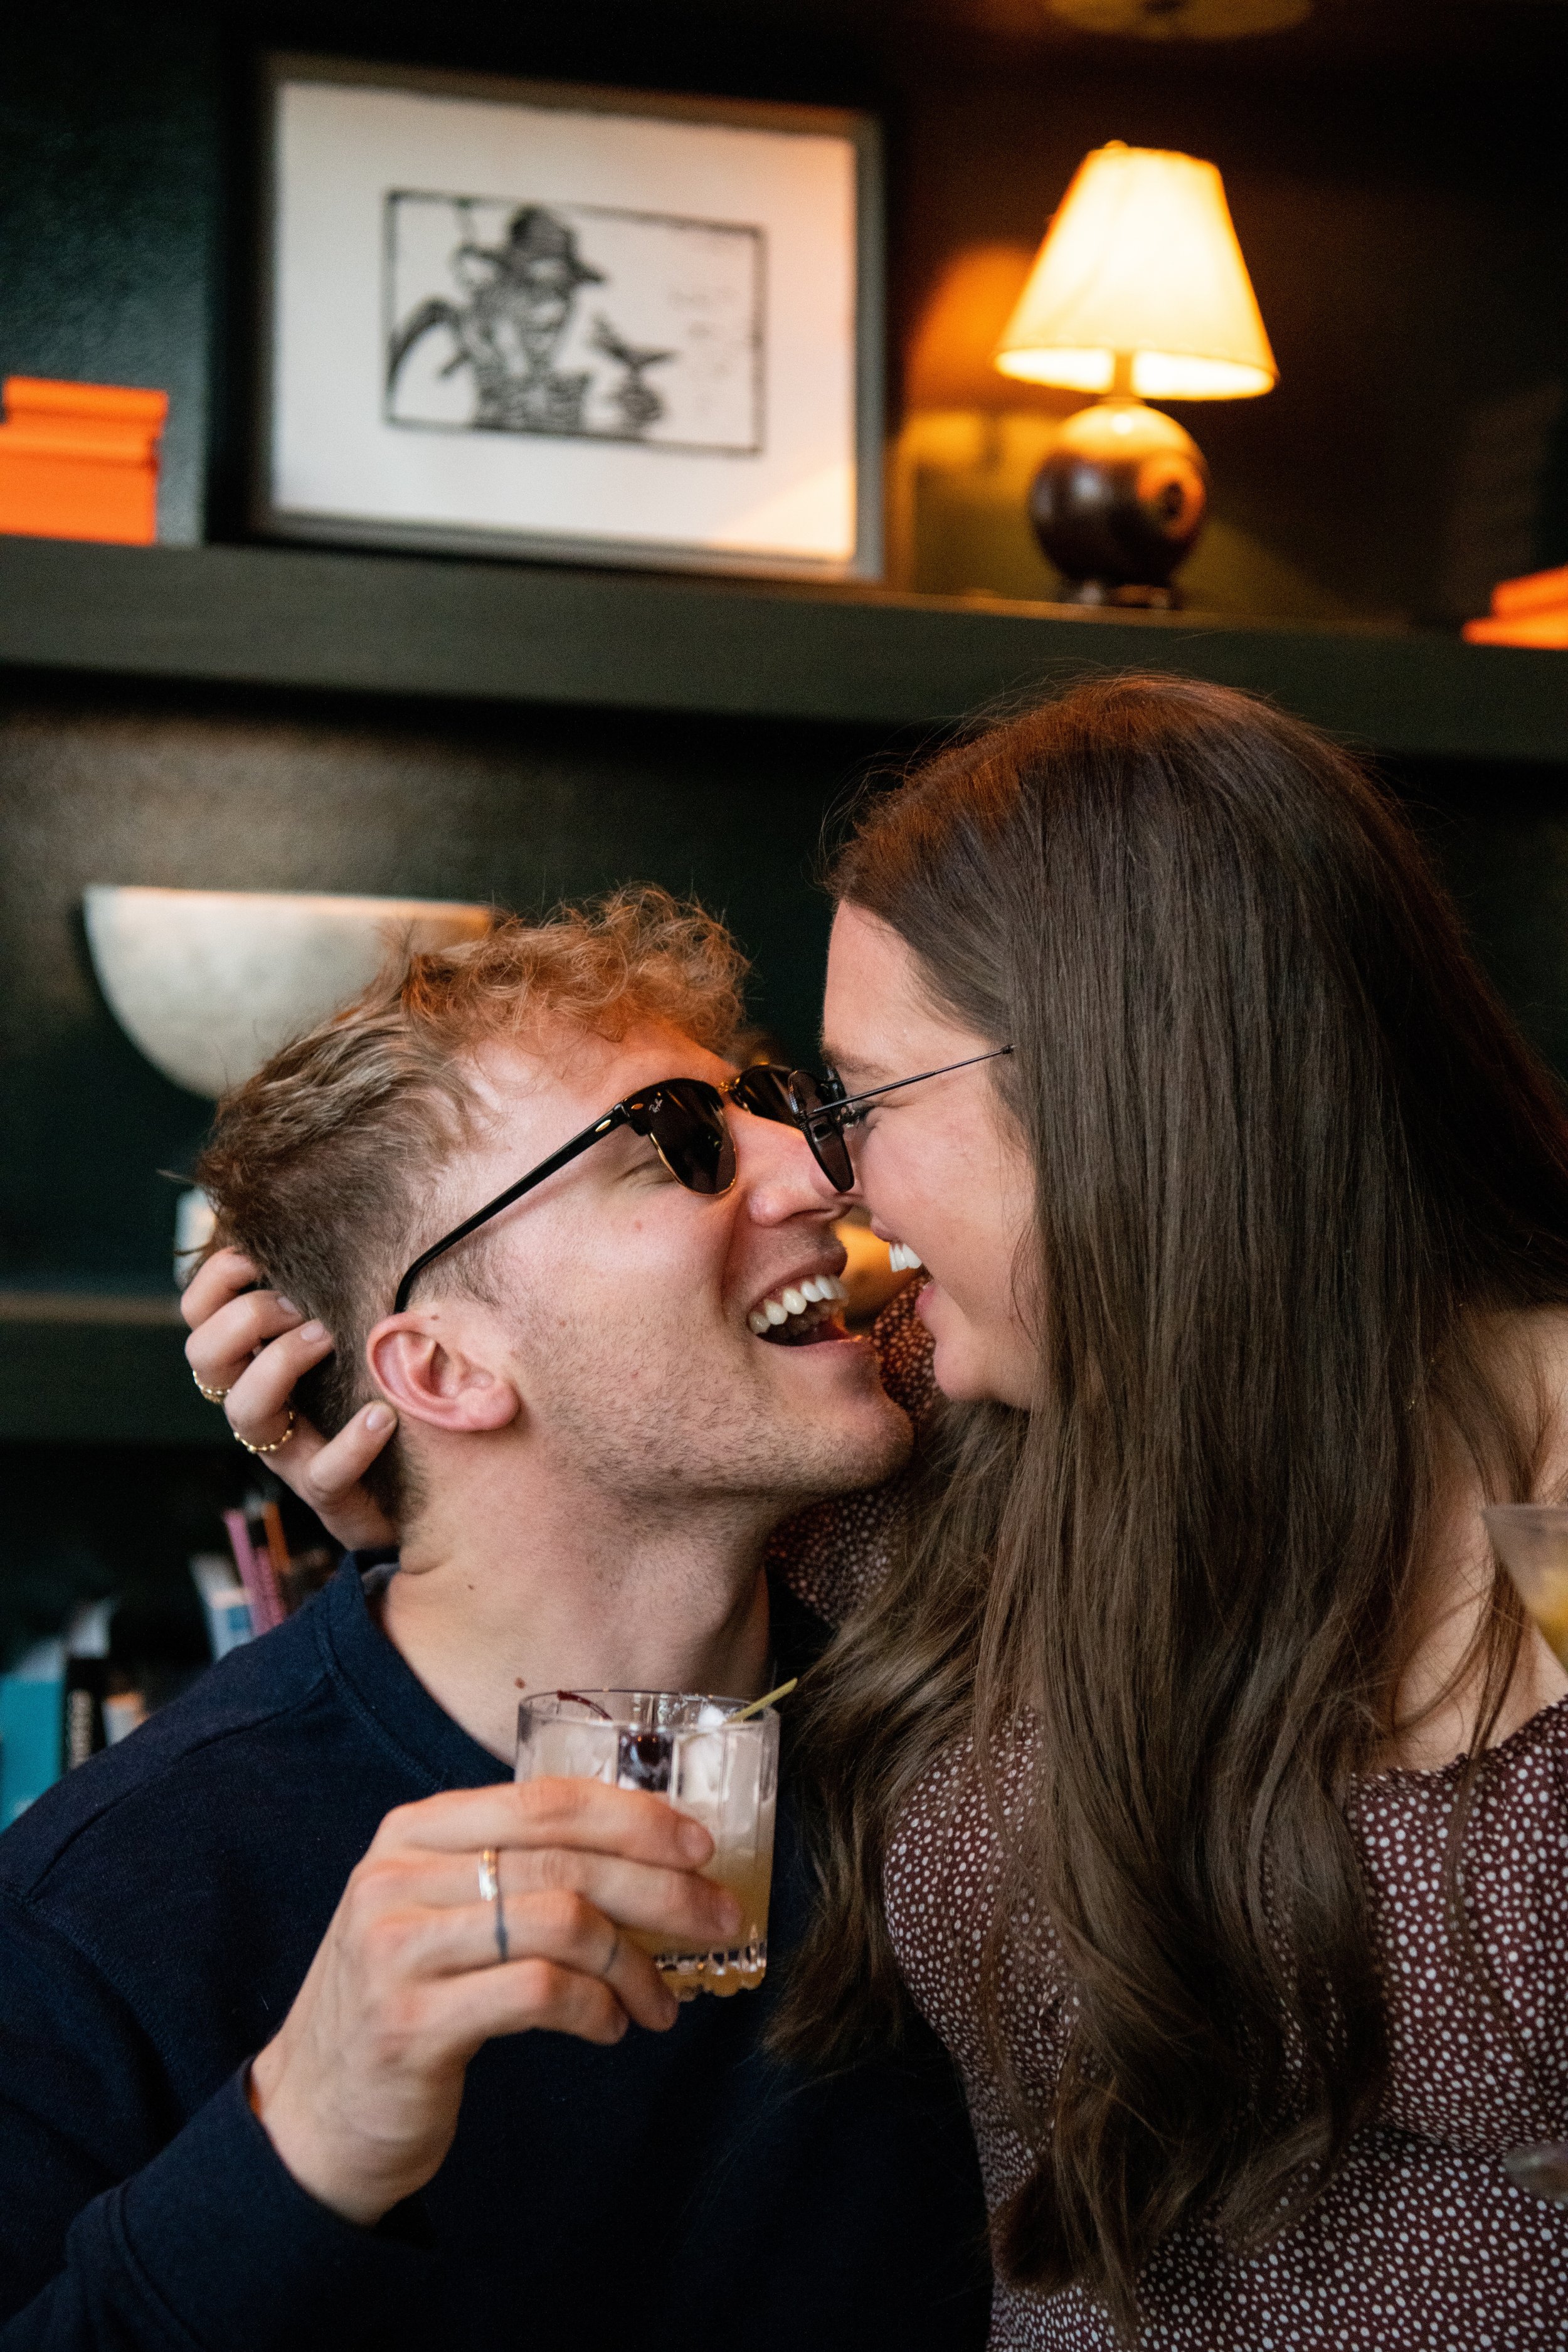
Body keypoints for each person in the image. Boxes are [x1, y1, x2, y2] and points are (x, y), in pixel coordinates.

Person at [218, 680, 1568, 2346]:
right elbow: (612, 1455)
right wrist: (409, 1416)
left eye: (865, 1099)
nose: (832, 1179)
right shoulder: (949, 1413)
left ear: (1111, 1080)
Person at [0, 889, 990, 2348]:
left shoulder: (982, 1780)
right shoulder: (104, 1904)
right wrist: (296, 2144)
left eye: (779, 1108)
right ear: (446, 1372)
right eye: (679, 1140)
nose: (817, 1167)